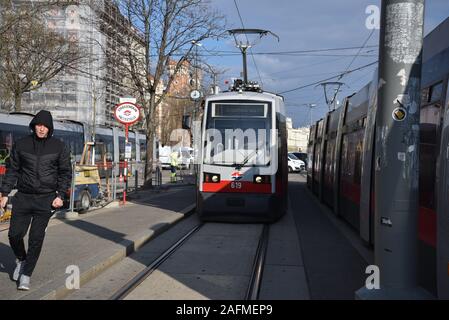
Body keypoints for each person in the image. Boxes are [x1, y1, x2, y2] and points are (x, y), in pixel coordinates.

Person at [0, 110, 71, 291]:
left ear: (49, 128)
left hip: (46, 199)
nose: (41, 128)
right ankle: (22, 260)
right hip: (23, 197)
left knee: (36, 239)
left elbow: (65, 173)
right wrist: (4, 193)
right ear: (33, 126)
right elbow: (12, 170)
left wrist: (60, 195)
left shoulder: (59, 146)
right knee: (14, 235)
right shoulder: (21, 144)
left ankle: (26, 275)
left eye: (45, 126)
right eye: (38, 125)